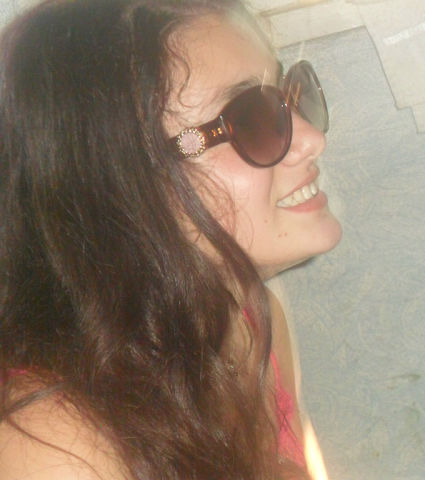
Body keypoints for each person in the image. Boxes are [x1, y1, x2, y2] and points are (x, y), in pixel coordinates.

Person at [0, 0, 342, 478]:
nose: (310, 139)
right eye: (250, 118)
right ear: (120, 184)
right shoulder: (56, 447)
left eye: (289, 96)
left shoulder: (250, 320)